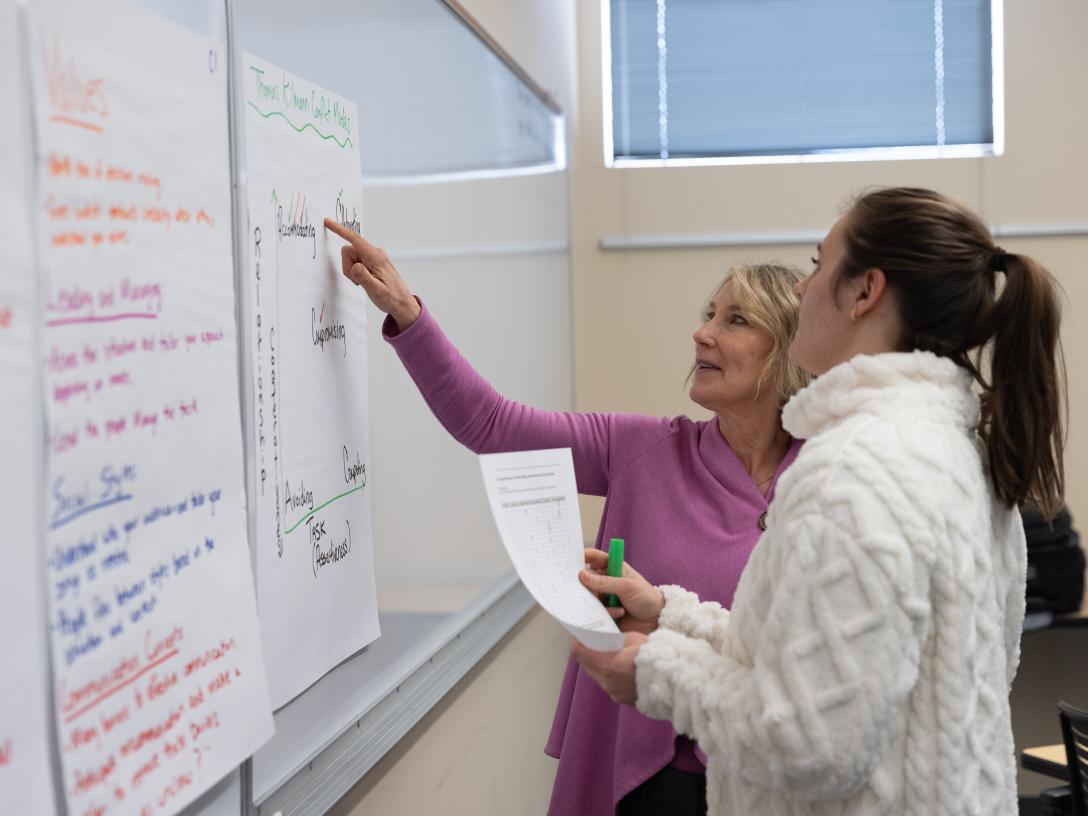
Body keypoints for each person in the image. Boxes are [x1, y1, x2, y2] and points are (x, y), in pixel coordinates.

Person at [573, 186, 1066, 815]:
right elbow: (839, 665)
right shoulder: (960, 447)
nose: (802, 290)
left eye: (817, 263)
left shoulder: (853, 470)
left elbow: (808, 744)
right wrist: (668, 613)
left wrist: (653, 673)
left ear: (865, 292)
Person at [324, 218, 809, 815]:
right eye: (709, 313)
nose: (702, 333)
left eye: (734, 320)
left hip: (773, 782)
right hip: (646, 782)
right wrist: (405, 312)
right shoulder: (641, 449)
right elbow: (492, 425)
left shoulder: (830, 479)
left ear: (789, 349)